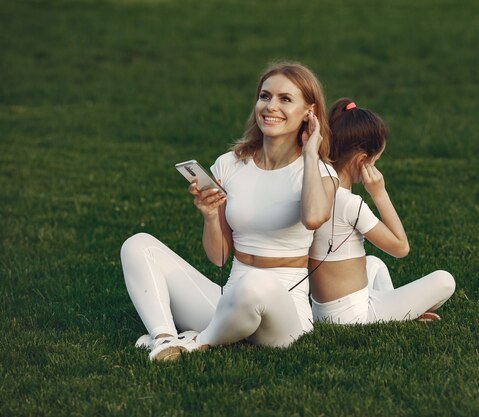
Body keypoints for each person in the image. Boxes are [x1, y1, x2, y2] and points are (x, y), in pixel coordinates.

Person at [120, 62, 337, 361]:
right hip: (227, 301)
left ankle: (196, 342)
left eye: (285, 99)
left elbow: (313, 217)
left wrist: (311, 152)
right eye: (265, 96)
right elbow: (220, 257)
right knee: (137, 245)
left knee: (256, 283)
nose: (271, 106)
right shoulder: (230, 164)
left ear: (308, 112)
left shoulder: (319, 172)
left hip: (283, 313)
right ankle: (164, 338)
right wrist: (210, 216)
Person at [308, 98, 455, 325]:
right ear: (362, 160)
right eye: (375, 161)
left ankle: (397, 310)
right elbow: (400, 248)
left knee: (375, 263)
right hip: (351, 317)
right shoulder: (350, 203)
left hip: (322, 310)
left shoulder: (316, 186)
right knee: (445, 280)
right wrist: (379, 193)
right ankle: (400, 315)